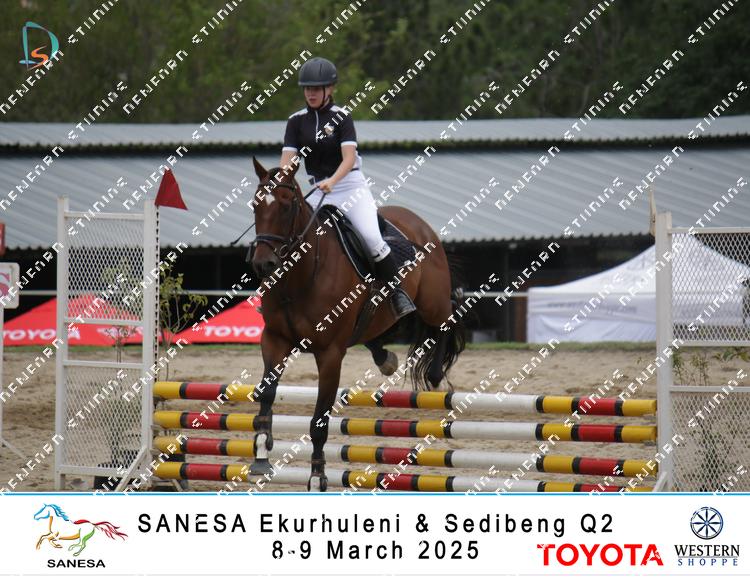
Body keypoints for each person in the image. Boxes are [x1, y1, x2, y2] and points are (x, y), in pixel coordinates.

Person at [278, 56, 416, 318]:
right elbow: (287, 160)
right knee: (292, 237)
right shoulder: (295, 121)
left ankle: (397, 294)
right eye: (307, 89)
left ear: (330, 89)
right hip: (318, 191)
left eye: (316, 88)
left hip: (350, 187)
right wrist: (280, 183)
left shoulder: (341, 117)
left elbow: (349, 158)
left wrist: (333, 181)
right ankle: (282, 296)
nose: (311, 93)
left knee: (371, 238)